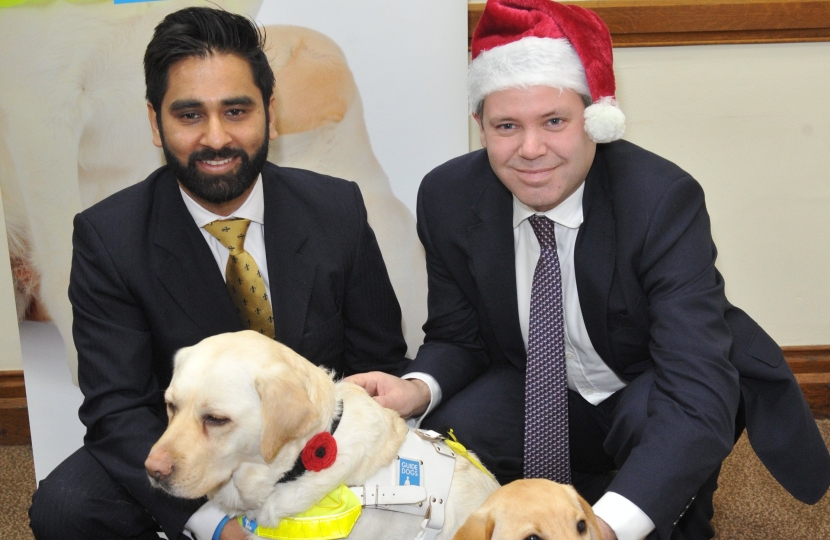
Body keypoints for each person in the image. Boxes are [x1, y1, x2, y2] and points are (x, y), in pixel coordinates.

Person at [348, 1, 830, 539]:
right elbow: (459, 338)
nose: (531, 150)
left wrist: (607, 528)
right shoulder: (447, 197)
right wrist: (415, 390)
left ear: (593, 120)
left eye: (554, 121)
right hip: (536, 383)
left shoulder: (660, 201)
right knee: (454, 432)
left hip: (649, 382)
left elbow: (696, 390)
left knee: (658, 428)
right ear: (479, 126)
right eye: (507, 125)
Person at [28, 7, 408, 540]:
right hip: (186, 449)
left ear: (270, 114)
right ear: (154, 123)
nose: (215, 138)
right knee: (65, 508)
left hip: (314, 441)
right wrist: (214, 525)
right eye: (188, 115)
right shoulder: (108, 237)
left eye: (236, 111)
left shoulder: (336, 208)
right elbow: (116, 408)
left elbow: (379, 361)